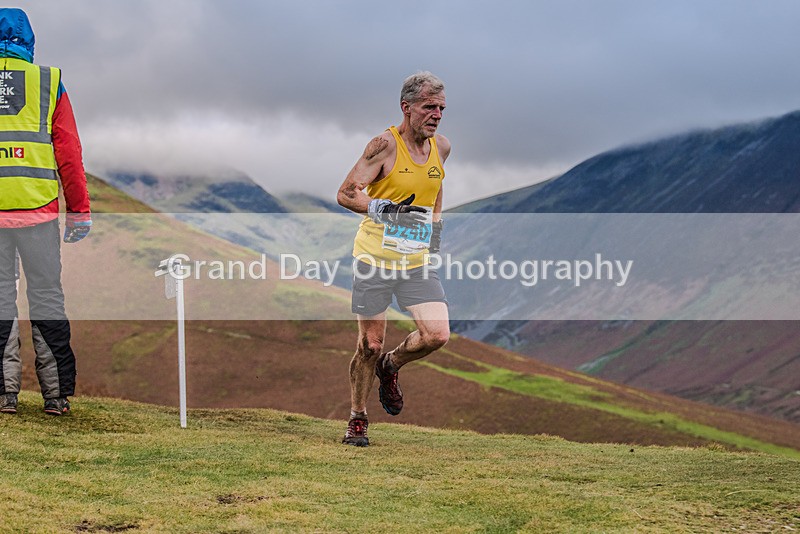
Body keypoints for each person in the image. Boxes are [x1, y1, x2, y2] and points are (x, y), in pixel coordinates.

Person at [336, 71, 451, 446]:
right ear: (407, 107)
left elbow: (435, 186)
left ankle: (391, 365)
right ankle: (357, 418)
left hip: (415, 260)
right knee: (369, 345)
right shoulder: (384, 146)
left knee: (437, 335)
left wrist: (434, 232)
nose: (436, 115)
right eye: (429, 107)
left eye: (441, 108)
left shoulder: (442, 147)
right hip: (374, 259)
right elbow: (346, 193)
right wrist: (383, 208)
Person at [0, 8, 91, 416]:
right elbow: (68, 152)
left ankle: (5, 395)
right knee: (47, 297)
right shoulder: (48, 82)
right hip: (38, 212)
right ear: (29, 42)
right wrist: (79, 212)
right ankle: (55, 396)